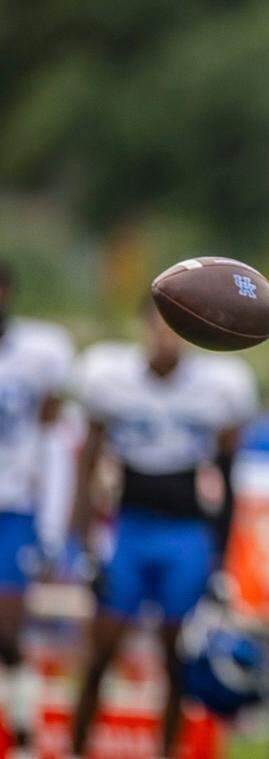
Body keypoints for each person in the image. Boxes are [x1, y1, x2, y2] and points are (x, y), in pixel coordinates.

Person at [70, 300, 257, 758]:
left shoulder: (218, 386)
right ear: (144, 329)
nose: (166, 338)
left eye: (176, 330)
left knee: (177, 660)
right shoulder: (110, 377)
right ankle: (76, 749)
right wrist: (85, 544)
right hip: (129, 528)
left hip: (186, 534)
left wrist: (221, 555)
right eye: (159, 328)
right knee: (100, 653)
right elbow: (86, 464)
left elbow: (230, 475)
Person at [0, 260, 74, 751]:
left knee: (7, 630)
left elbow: (54, 442)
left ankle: (24, 733)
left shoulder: (38, 353)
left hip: (15, 507)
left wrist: (52, 529)